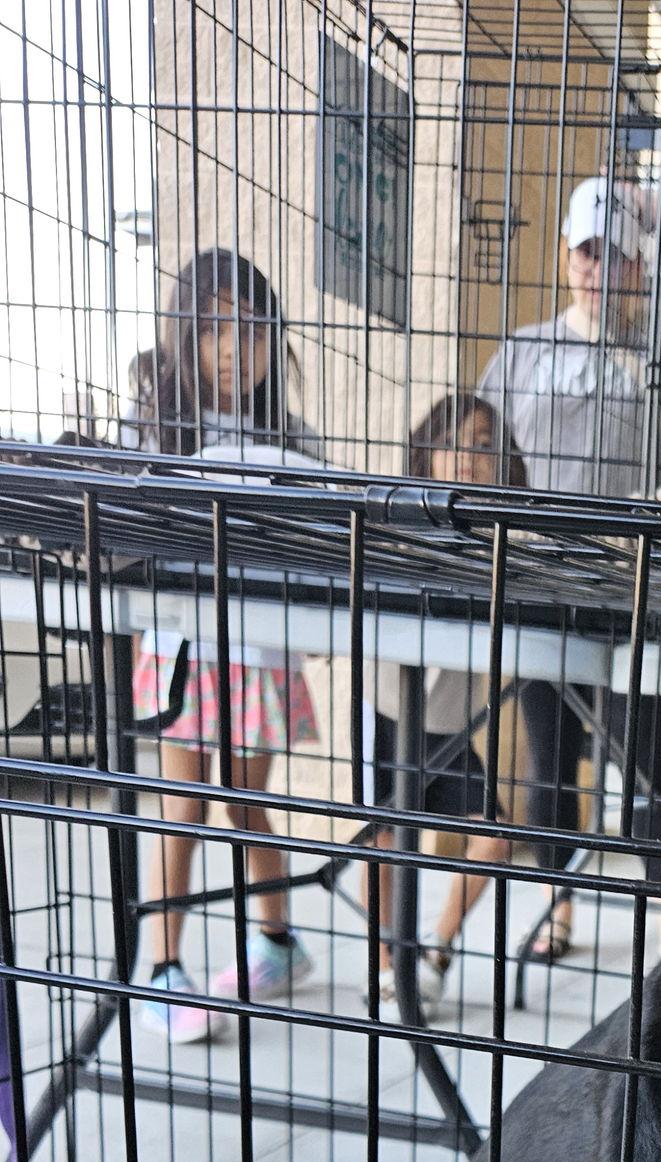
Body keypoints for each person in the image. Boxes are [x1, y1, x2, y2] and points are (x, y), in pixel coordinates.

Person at [478, 176, 661, 959]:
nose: (600, 268)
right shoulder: (524, 350)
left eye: (617, 256)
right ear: (567, 257)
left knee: (644, 758)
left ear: (638, 269)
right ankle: (556, 905)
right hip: (538, 578)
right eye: (587, 252)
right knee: (549, 755)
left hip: (629, 580)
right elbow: (485, 448)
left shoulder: (657, 361)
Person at [122, 249, 320, 1043]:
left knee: (245, 805)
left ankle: (275, 942)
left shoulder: (291, 433)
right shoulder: (161, 425)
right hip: (182, 643)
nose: (235, 348)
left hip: (261, 646)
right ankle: (163, 965)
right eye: (213, 330)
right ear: (183, 337)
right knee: (183, 805)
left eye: (251, 329)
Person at [361, 393, 530, 1015]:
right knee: (383, 839)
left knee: (494, 837)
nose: (467, 456)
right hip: (386, 713)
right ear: (426, 453)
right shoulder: (395, 519)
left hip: (452, 727)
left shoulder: (498, 538)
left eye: (484, 444)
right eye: (454, 441)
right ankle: (384, 964)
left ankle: (434, 953)